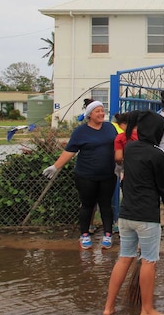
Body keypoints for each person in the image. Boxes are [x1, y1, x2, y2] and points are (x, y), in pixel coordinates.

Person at [103, 110, 164, 315]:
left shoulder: (129, 148)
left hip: (126, 213)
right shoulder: (157, 154)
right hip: (147, 215)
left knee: (124, 258)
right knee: (149, 261)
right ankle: (147, 310)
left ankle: (108, 307)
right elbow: (163, 187)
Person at [43, 100, 117, 250]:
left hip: (108, 175)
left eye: (102, 111)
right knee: (87, 205)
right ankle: (84, 235)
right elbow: (70, 151)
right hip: (86, 176)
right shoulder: (80, 132)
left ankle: (107, 235)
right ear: (89, 115)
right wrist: (56, 166)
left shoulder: (110, 128)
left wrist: (122, 165)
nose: (101, 113)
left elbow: (119, 146)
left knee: (106, 205)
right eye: (98, 111)